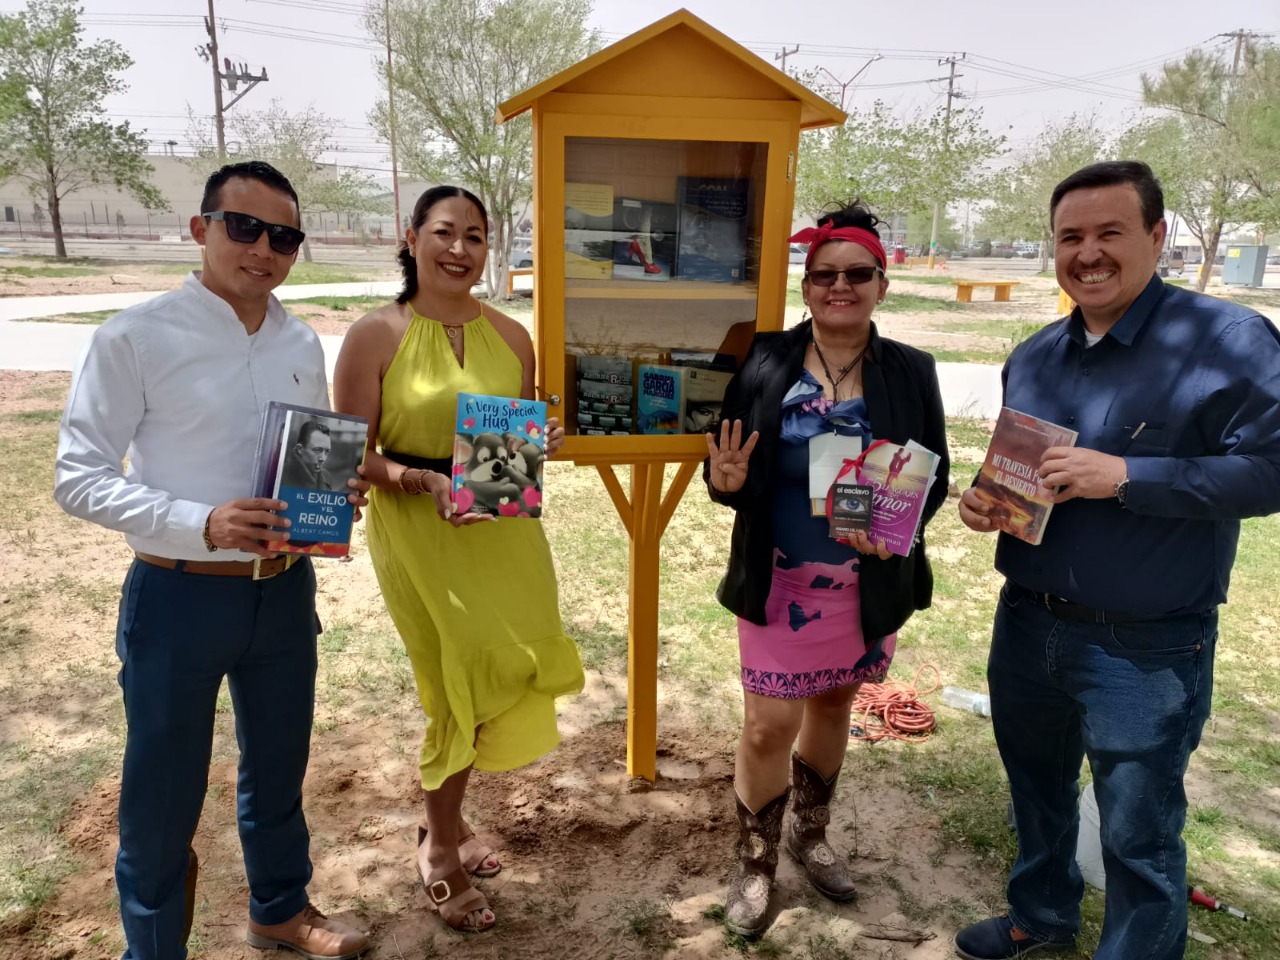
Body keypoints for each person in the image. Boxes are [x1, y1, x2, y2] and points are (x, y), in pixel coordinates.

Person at [954, 161, 1280, 960]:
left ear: (1157, 237)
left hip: (1146, 643)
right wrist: (987, 498)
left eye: (1110, 233)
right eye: (1071, 237)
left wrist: (1131, 476)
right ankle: (1042, 917)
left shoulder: (1227, 341)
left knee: (1137, 831)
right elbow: (1027, 469)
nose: (1088, 253)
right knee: (1036, 795)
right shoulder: (1033, 354)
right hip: (1028, 623)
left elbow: (1272, 468)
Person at [54, 161, 372, 960]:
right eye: (245, 227)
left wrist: (329, 500)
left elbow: (307, 455)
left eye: (285, 236)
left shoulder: (302, 339)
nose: (264, 248)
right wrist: (202, 522)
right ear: (201, 229)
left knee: (279, 767)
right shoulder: (135, 336)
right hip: (177, 595)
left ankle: (281, 908)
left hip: (281, 594)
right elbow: (78, 477)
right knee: (162, 792)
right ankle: (155, 948)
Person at [332, 186, 584, 934]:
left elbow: (514, 442)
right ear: (410, 239)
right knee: (454, 685)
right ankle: (441, 848)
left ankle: (447, 823)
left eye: (476, 236)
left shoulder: (513, 335)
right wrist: (415, 478)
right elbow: (347, 454)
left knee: (505, 669)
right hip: (418, 532)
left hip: (503, 534)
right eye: (445, 232)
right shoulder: (374, 334)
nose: (460, 249)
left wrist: (544, 443)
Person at [704, 200, 950, 938]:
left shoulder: (911, 370)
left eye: (856, 274)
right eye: (823, 276)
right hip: (781, 580)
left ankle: (811, 835)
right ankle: (755, 860)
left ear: (882, 282)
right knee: (766, 725)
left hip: (866, 581)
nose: (839, 287)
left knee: (836, 706)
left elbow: (931, 476)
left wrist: (897, 534)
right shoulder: (765, 360)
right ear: (806, 286)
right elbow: (725, 467)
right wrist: (722, 481)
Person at [280, 419, 336, 491]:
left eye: (327, 452)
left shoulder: (326, 476)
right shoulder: (281, 475)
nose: (323, 459)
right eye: (317, 450)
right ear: (299, 449)